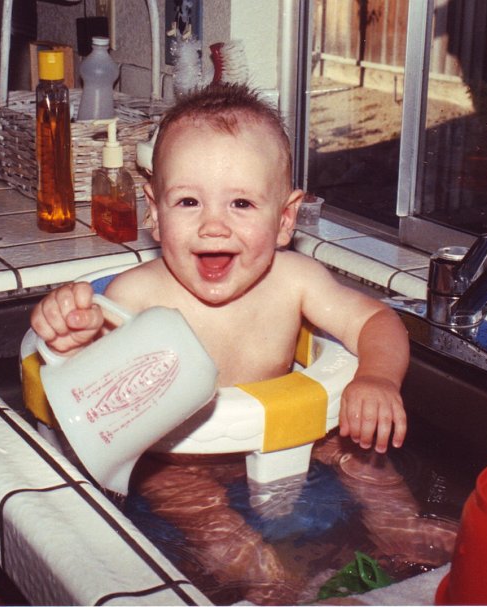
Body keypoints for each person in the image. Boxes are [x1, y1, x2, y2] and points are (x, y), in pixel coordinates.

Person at [30, 82, 411, 603]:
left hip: (291, 442)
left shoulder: (297, 279)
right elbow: (96, 386)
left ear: (284, 218)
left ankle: (414, 549)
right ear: (153, 212)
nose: (213, 225)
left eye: (241, 203)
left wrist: (377, 378)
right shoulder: (137, 293)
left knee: (365, 461)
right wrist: (71, 332)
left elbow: (376, 322)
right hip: (180, 461)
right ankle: (273, 586)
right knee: (210, 522)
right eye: (188, 201)